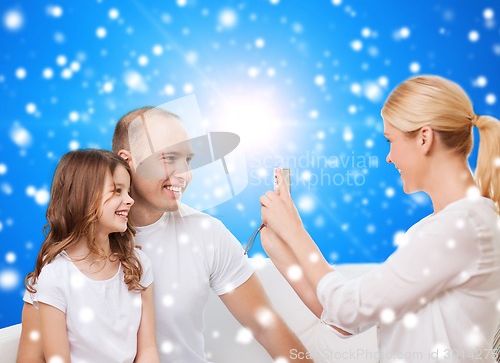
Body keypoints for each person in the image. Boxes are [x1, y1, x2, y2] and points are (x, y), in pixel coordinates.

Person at [260, 75, 500, 362]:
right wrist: (281, 251)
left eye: (391, 140)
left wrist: (294, 230)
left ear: (424, 138)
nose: (389, 157)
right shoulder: (434, 228)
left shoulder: (463, 226)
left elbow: (348, 307)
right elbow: (346, 320)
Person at [110, 106, 311, 363]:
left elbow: (267, 327)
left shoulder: (206, 234)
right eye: (169, 158)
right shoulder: (86, 238)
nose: (186, 175)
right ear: (128, 160)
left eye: (188, 160)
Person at [17, 149, 159, 363]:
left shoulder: (138, 264)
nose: (130, 200)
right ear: (83, 198)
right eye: (117, 191)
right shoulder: (55, 277)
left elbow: (148, 350)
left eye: (128, 191)